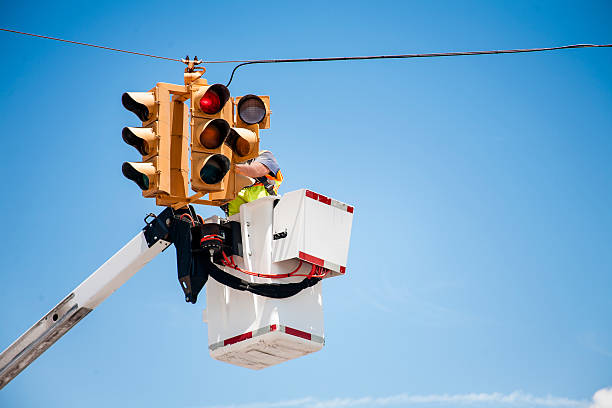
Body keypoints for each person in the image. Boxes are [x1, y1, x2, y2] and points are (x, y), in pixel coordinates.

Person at [222, 150, 283, 216]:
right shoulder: (221, 169)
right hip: (237, 221)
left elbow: (256, 170)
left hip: (266, 216)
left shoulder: (264, 155)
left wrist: (231, 168)